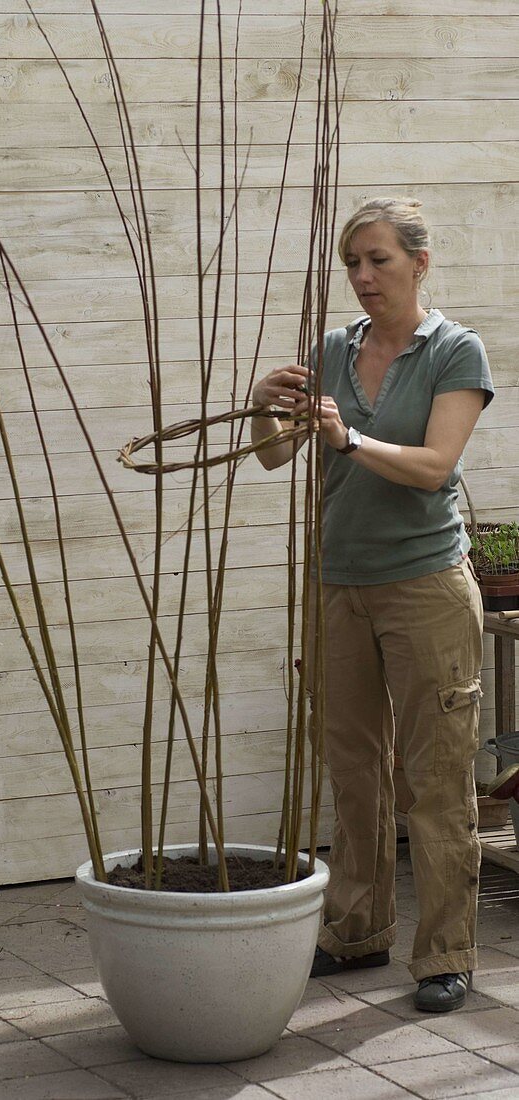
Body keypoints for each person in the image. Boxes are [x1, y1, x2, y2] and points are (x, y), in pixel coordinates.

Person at [251, 197, 495, 1013]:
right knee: (352, 770)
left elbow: (433, 466)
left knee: (433, 776)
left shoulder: (454, 352)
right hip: (337, 586)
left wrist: (348, 437)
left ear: (418, 263)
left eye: (377, 260)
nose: (360, 277)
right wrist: (264, 404)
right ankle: (354, 932)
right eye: (352, 262)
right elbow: (275, 456)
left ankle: (445, 955)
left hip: (424, 587)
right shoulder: (333, 350)